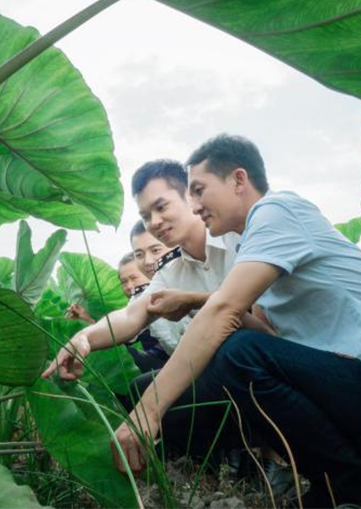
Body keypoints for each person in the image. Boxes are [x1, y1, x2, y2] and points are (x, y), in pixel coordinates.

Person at [112, 135, 361, 509]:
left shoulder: (278, 210)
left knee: (236, 353)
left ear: (238, 180)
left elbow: (226, 314)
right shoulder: (252, 249)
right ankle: (338, 488)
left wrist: (147, 411)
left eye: (198, 190)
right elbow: (263, 337)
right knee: (212, 373)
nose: (194, 206)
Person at [42, 159, 273, 454]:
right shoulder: (169, 272)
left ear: (191, 196)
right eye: (146, 215)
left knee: (237, 347)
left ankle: (271, 451)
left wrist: (192, 301)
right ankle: (218, 457)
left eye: (161, 207)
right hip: (219, 373)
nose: (154, 222)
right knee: (142, 386)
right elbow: (131, 314)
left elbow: (260, 326)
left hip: (268, 363)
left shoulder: (240, 237)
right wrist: (84, 337)